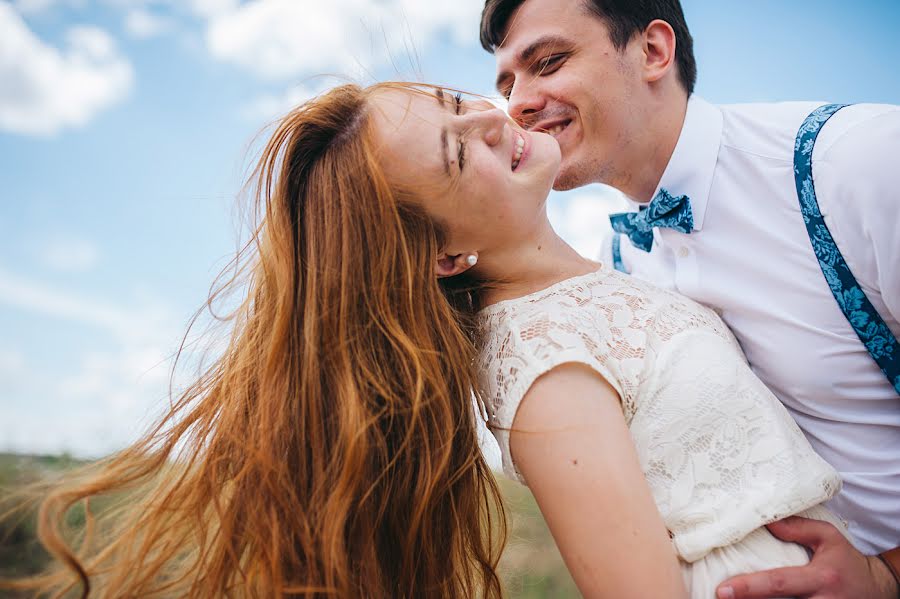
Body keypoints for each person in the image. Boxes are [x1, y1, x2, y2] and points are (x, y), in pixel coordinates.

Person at [5, 81, 885, 598]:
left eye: (461, 102)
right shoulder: (542, 362)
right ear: (446, 253)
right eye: (459, 153)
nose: (495, 122)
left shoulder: (610, 276)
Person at [479, 0, 900, 597]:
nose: (517, 103)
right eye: (507, 83)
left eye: (547, 62)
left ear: (654, 50)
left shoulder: (855, 165)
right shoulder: (618, 265)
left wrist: (885, 579)